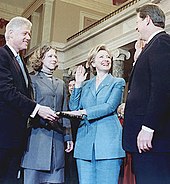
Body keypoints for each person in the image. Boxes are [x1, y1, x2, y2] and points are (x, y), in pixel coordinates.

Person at [0, 17, 57, 184]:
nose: (28, 38)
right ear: (10, 34)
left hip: (15, 137)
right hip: (3, 135)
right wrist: (37, 108)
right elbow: (6, 91)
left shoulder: (20, 62)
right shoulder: (2, 56)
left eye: (29, 34)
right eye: (25, 33)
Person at [123, 3, 170, 184]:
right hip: (148, 141)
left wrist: (148, 127)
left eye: (137, 21)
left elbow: (163, 88)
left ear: (147, 20)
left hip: (153, 140)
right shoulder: (152, 46)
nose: (136, 27)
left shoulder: (162, 43)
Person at [67, 44, 125, 184]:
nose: (106, 59)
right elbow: (74, 108)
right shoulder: (86, 85)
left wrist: (85, 112)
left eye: (107, 57)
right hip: (85, 144)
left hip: (108, 143)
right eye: (101, 57)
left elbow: (110, 106)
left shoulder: (117, 82)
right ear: (92, 62)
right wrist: (79, 85)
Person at [21, 44, 73, 184]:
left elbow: (65, 112)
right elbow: (28, 109)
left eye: (55, 56)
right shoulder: (31, 80)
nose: (54, 59)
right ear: (41, 59)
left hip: (57, 141)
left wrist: (68, 136)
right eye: (50, 56)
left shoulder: (61, 83)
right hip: (37, 139)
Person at [65, 78, 79, 184]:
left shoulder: (81, 99)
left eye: (74, 85)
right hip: (68, 133)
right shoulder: (65, 100)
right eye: (70, 85)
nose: (72, 87)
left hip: (79, 133)